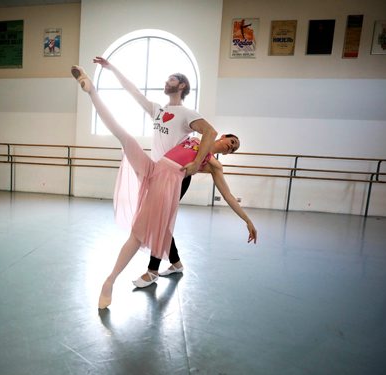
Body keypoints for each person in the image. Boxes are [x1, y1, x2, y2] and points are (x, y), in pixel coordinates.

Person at [71, 65, 257, 309]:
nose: (231, 147)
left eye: (234, 148)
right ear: (222, 138)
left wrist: (247, 220)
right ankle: (92, 90)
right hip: (155, 168)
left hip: (167, 181)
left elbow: (229, 196)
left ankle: (111, 280)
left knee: (139, 234)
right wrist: (113, 69)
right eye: (231, 141)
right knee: (125, 137)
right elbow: (200, 132)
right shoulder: (194, 138)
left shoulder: (213, 165)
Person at [93, 57, 218, 288]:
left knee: (157, 220)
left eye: (171, 79)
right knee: (160, 219)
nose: (166, 81)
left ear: (181, 86)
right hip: (156, 171)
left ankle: (152, 271)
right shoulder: (158, 110)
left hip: (176, 176)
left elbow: (210, 132)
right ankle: (176, 262)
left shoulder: (188, 113)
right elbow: (132, 91)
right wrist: (112, 68)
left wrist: (196, 163)